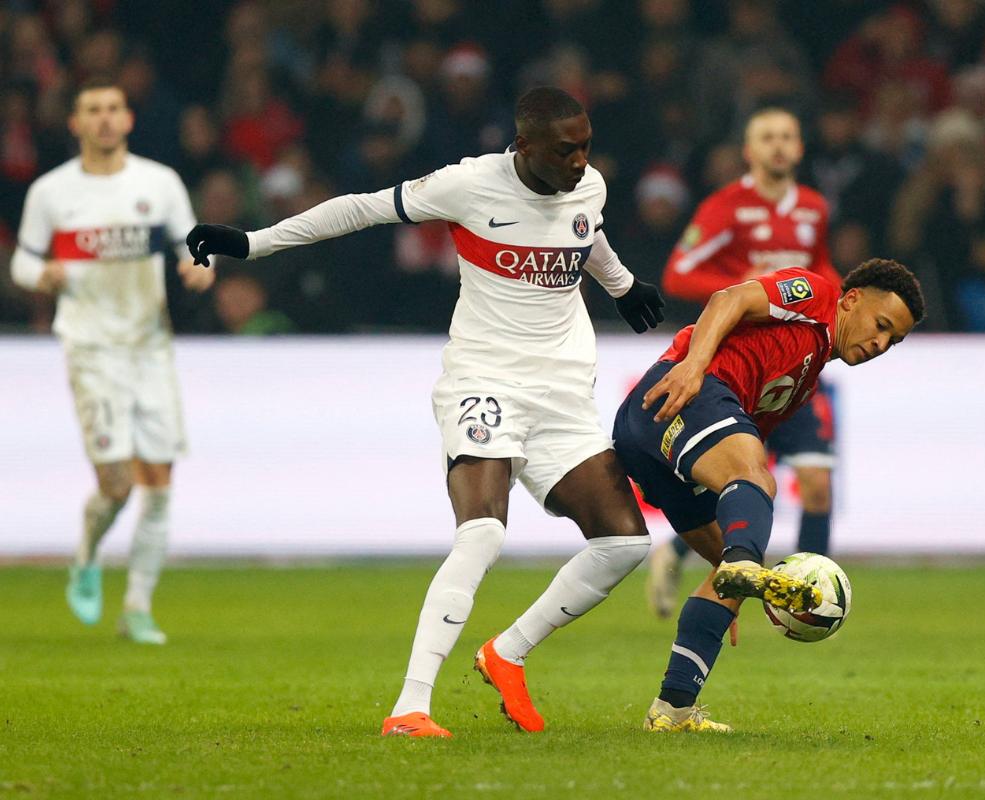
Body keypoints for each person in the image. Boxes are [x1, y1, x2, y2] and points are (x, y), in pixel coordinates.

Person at [186, 87, 666, 737]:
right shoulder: (469, 184)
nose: (581, 159)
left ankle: (507, 652)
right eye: (565, 149)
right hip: (485, 381)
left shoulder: (589, 185)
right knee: (484, 533)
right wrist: (253, 242)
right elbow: (362, 210)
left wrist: (623, 285)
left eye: (585, 144)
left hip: (563, 392)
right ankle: (411, 706)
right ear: (524, 147)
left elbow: (589, 233)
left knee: (623, 543)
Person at [614, 258, 924, 732]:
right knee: (757, 484)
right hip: (683, 390)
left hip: (649, 430)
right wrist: (694, 367)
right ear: (853, 299)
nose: (880, 344)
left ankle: (672, 711)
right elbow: (728, 299)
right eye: (882, 326)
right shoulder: (817, 296)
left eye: (893, 341)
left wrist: (731, 586)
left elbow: (732, 467)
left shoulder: (803, 384)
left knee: (731, 572)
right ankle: (741, 569)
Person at [10, 77, 215, 644]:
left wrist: (201, 268)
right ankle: (86, 553)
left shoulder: (160, 183)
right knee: (119, 485)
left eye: (113, 109)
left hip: (150, 345)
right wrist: (43, 275)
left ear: (127, 120)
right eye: (92, 110)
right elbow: (22, 264)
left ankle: (138, 607)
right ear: (75, 123)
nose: (104, 119)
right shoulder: (52, 192)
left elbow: (192, 247)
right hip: (92, 347)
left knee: (161, 482)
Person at [649, 107, 841, 620]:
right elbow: (678, 274)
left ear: (799, 148)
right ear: (749, 151)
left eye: (787, 137)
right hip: (741, 368)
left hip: (798, 366)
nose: (778, 146)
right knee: (738, 480)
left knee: (818, 484)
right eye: (767, 138)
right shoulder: (726, 206)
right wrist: (746, 286)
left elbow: (820, 267)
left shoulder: (814, 208)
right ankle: (674, 550)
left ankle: (814, 600)